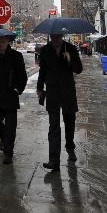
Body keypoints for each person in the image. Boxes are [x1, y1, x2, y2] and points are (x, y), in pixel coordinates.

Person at [37, 34, 83, 171]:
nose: (55, 39)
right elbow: (42, 70)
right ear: (51, 37)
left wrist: (70, 60)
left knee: (70, 123)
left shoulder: (71, 48)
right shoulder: (45, 50)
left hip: (67, 90)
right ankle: (54, 160)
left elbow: (79, 69)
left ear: (62, 36)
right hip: (52, 91)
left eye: (58, 37)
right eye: (53, 37)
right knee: (54, 127)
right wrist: (39, 87)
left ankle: (70, 147)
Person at [0, 34, 27, 164]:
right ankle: (4, 139)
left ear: (8, 41)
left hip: (11, 95)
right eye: (0, 41)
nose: (2, 43)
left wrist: (18, 89)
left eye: (4, 41)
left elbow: (22, 76)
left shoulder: (16, 56)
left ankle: (8, 152)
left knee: (11, 127)